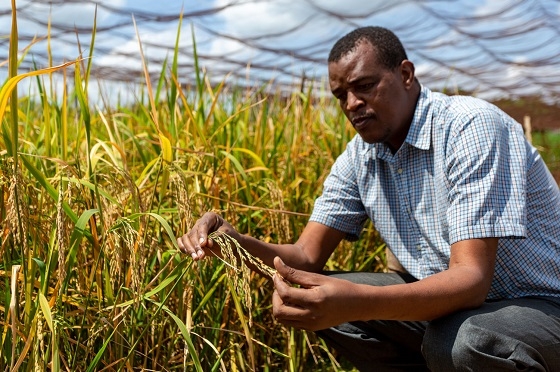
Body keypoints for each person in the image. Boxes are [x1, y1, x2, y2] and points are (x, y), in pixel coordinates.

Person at [178, 26, 560, 371]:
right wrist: (235, 243)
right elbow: (306, 256)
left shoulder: (469, 128)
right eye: (340, 95)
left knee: (467, 341)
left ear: (406, 75)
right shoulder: (361, 157)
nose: (351, 104)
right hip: (455, 309)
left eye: (364, 86)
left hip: (538, 305)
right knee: (315, 296)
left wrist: (357, 299)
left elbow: (472, 279)